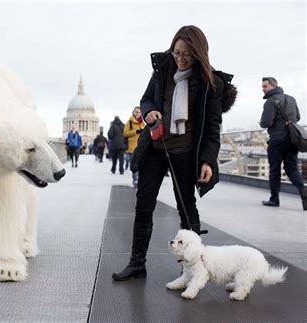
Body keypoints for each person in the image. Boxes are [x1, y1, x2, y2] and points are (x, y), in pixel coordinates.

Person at [112, 25, 233, 281]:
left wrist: (208, 160)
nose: (180, 58)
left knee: (186, 208)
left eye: (186, 55)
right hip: (156, 147)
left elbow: (212, 127)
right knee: (143, 206)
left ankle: (193, 268)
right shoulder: (163, 68)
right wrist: (150, 112)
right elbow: (146, 99)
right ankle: (137, 264)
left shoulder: (210, 82)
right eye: (177, 52)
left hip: (186, 152)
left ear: (199, 54)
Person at [259, 77, 306, 210]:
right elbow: (297, 118)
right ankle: (303, 190)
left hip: (277, 140)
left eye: (265, 86)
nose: (262, 89)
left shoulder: (270, 102)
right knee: (292, 169)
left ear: (273, 86)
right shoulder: (291, 99)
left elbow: (266, 122)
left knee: (274, 170)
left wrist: (262, 122)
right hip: (292, 140)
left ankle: (274, 199)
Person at [124, 106, 145, 188]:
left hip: (141, 146)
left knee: (141, 165)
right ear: (133, 112)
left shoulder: (142, 122)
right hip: (132, 147)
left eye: (139, 112)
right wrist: (136, 131)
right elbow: (125, 133)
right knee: (135, 165)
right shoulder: (129, 122)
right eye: (136, 112)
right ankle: (135, 180)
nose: (137, 113)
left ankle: (140, 180)